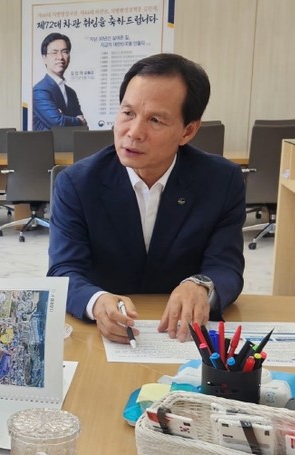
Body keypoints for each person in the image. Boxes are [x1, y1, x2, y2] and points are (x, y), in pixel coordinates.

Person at [47, 53, 245, 344]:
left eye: (155, 120)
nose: (134, 132)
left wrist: (201, 286)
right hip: (104, 335)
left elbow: (226, 266)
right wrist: (96, 300)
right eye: (128, 113)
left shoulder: (221, 180)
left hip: (181, 336)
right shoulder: (77, 183)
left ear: (188, 131)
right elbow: (63, 270)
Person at [32, 32, 87, 131]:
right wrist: (78, 121)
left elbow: (82, 128)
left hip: (71, 141)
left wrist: (75, 121)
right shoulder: (39, 90)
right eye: (54, 53)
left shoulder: (71, 92)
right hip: (47, 141)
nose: (60, 57)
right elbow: (57, 122)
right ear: (44, 58)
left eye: (64, 52)